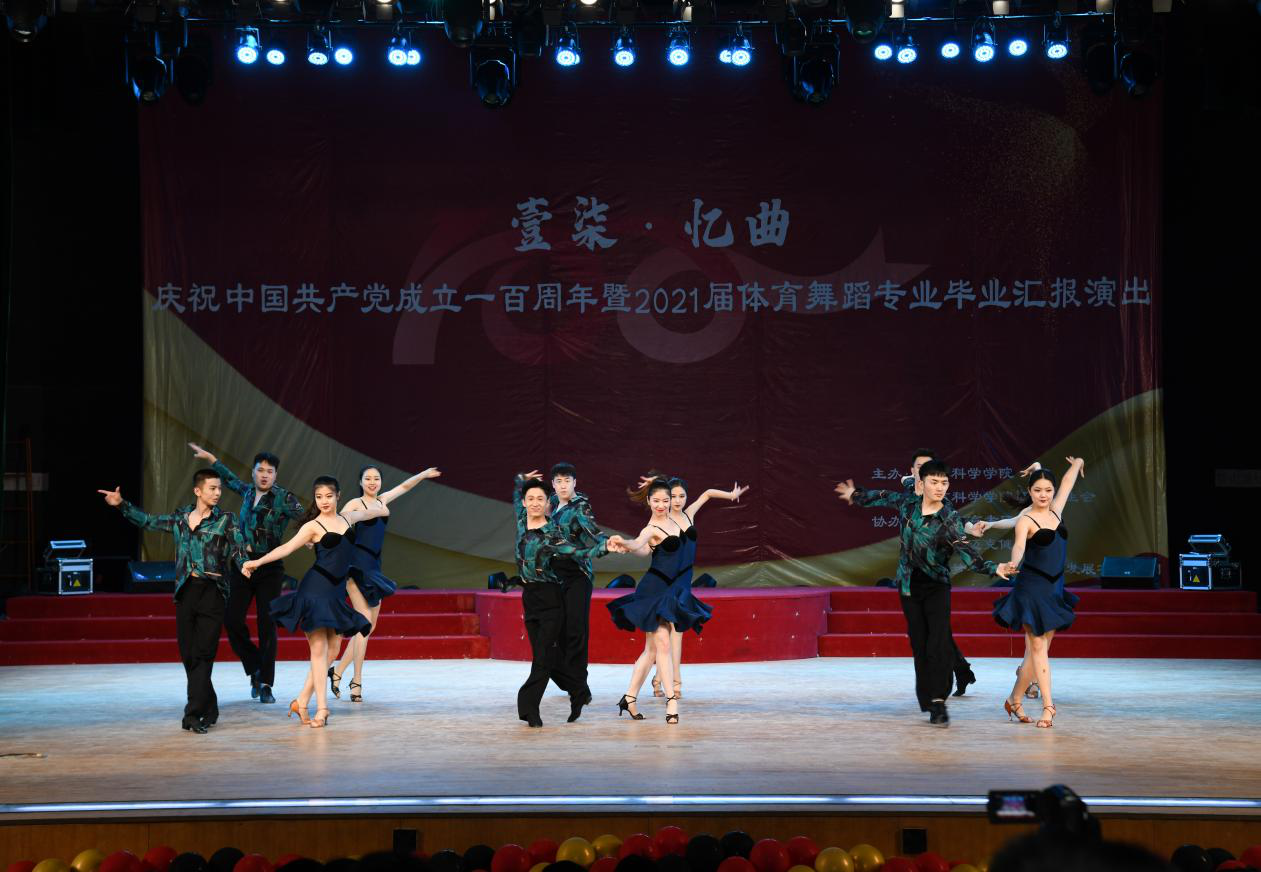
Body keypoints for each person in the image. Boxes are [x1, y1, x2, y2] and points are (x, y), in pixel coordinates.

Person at [835, 460, 1012, 727]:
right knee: (919, 644)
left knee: (937, 643)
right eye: (934, 482)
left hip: (937, 586)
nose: (940, 488)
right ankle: (929, 698)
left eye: (944, 483)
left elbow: (966, 550)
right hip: (908, 586)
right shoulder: (908, 504)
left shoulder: (949, 518)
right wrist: (855, 494)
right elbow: (883, 496)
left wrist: (993, 567)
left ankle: (939, 701)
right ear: (922, 483)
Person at [98, 470, 246, 734]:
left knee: (204, 654)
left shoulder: (226, 520)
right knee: (189, 654)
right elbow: (149, 522)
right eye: (212, 488)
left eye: (219, 489)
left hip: (213, 592)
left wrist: (246, 565)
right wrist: (121, 505)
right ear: (198, 491)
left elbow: (238, 549)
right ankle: (210, 705)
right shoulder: (180, 518)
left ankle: (193, 714)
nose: (217, 493)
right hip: (186, 591)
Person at [242, 475, 387, 728]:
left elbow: (379, 508)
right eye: (319, 497)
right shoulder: (313, 526)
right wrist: (257, 562)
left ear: (338, 496)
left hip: (336, 592)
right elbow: (286, 548)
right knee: (319, 651)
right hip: (315, 589)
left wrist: (384, 502)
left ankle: (300, 701)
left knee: (332, 651)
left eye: (329, 496)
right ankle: (322, 709)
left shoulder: (349, 518)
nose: (324, 501)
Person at [189, 443, 304, 705]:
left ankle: (266, 684)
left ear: (275, 475)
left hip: (269, 567)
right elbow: (229, 479)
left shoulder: (284, 498)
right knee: (231, 619)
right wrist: (212, 459)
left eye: (270, 472)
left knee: (267, 624)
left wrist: (311, 535)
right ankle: (255, 667)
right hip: (242, 565)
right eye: (260, 470)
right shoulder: (247, 491)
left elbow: (306, 516)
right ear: (253, 472)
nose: (264, 475)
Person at [513, 475, 622, 727]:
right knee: (547, 658)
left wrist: (605, 547)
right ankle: (579, 690)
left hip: (551, 599)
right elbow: (517, 496)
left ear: (547, 503)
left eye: (540, 499)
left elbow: (578, 551)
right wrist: (522, 479)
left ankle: (529, 708)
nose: (535, 503)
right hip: (529, 598)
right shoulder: (521, 521)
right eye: (531, 499)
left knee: (542, 659)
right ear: (525, 503)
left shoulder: (553, 534)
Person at [328, 464, 441, 704]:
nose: (372, 482)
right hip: (355, 567)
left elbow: (404, 486)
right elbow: (336, 525)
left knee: (369, 627)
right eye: (367, 478)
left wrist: (423, 475)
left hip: (374, 569)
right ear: (360, 482)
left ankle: (337, 672)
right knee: (364, 626)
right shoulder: (354, 504)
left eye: (376, 478)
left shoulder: (383, 500)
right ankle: (356, 682)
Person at [634, 474, 747, 699]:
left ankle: (663, 680)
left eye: (682, 496)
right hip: (667, 581)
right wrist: (655, 483)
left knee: (677, 633)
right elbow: (644, 544)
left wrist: (731, 495)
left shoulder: (689, 514)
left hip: (685, 582)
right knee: (665, 638)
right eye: (673, 496)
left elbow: (707, 494)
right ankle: (672, 684)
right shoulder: (661, 521)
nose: (677, 501)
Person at [993, 457, 1086, 729]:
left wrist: (1078, 462)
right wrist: (1013, 562)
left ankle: (1014, 699)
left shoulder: (1057, 510)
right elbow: (1019, 547)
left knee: (1035, 654)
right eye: (1037, 490)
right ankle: (1049, 706)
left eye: (1048, 490)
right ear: (1030, 491)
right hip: (1032, 588)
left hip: (1054, 588)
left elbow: (1068, 481)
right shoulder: (1026, 519)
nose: (1043, 495)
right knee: (1037, 647)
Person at [606, 478, 698, 724]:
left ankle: (629, 698)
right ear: (648, 501)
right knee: (664, 644)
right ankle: (672, 702)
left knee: (651, 651)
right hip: (652, 590)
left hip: (671, 592)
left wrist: (657, 478)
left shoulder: (677, 520)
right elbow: (640, 546)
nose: (661, 505)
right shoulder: (650, 528)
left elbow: (674, 486)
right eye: (656, 501)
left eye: (665, 500)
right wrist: (625, 543)